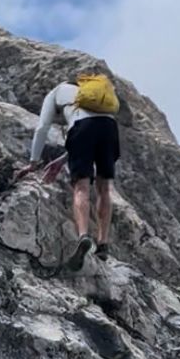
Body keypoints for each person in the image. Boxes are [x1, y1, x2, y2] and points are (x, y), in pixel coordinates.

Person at [28, 69, 121, 270]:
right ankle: (103, 242)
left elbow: (42, 128)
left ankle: (83, 236)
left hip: (81, 129)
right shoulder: (93, 97)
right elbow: (93, 126)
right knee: (104, 188)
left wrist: (33, 162)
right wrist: (62, 160)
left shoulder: (56, 92)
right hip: (109, 128)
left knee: (82, 187)